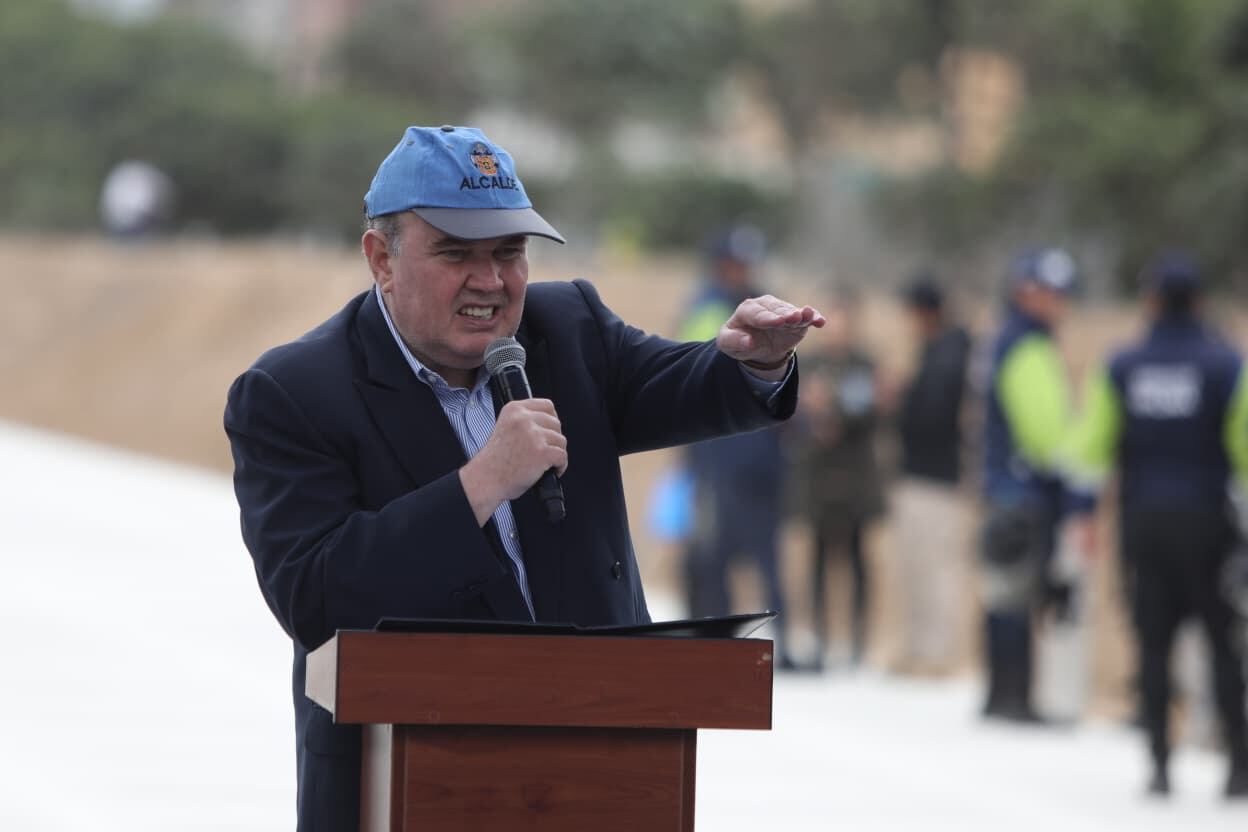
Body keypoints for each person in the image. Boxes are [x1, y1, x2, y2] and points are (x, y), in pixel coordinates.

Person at [223, 125, 825, 831]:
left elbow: (678, 379)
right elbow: (315, 596)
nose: (492, 281)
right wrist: (481, 484)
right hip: (407, 790)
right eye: (456, 253)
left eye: (509, 252)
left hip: (602, 777)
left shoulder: (567, 328)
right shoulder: (294, 392)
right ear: (380, 258)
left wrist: (754, 362)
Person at [1065, 252, 1248, 797]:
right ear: (1198, 301)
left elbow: (1091, 449)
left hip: (1144, 524)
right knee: (1222, 642)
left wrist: (1082, 515)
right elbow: (1243, 448)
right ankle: (1238, 767)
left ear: (1151, 301)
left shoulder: (1123, 364)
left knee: (1153, 642)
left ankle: (1160, 765)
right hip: (1208, 523)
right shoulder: (1226, 365)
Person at [677, 226, 792, 665]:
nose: (741, 273)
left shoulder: (763, 304)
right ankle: (718, 641)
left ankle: (779, 643)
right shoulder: (707, 310)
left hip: (762, 458)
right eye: (734, 264)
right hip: (719, 456)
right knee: (716, 552)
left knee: (768, 554)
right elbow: (697, 375)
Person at [978, 248, 1078, 722]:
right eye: (1049, 291)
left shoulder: (1008, 338)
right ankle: (1013, 698)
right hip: (1023, 488)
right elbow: (1044, 432)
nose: (1057, 302)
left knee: (1004, 591)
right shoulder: (1027, 345)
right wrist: (1071, 467)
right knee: (1015, 592)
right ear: (1025, 291)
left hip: (1004, 484)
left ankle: (1001, 694)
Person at [791, 290, 885, 670]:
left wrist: (832, 409)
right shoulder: (808, 364)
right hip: (817, 477)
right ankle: (818, 636)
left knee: (859, 560)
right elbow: (791, 411)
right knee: (815, 560)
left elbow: (866, 412)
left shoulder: (863, 364)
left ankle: (859, 641)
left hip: (854, 477)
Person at [891, 275, 972, 675]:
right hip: (921, 471)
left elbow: (935, 416)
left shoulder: (949, 355)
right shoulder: (938, 351)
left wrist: (901, 402)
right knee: (915, 567)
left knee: (936, 569)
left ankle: (937, 654)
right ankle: (920, 649)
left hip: (936, 475)